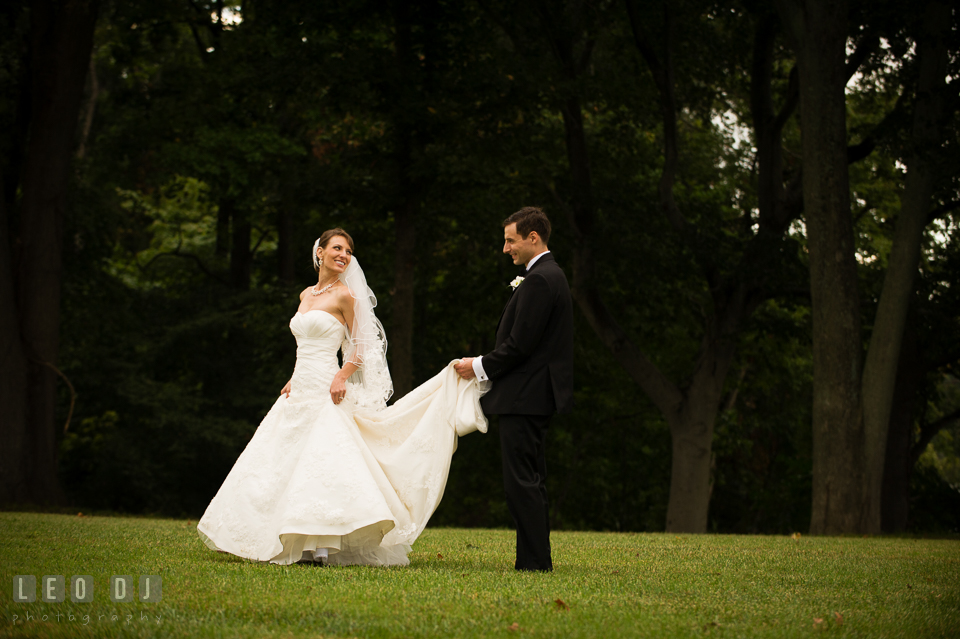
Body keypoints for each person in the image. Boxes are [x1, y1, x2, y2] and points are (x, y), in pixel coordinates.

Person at [198, 228, 489, 566]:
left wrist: (341, 376)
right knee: (279, 461)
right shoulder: (306, 295)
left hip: (328, 388)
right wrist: (294, 377)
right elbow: (304, 345)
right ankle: (259, 535)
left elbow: (362, 346)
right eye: (337, 248)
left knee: (324, 462)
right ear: (319, 252)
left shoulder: (346, 297)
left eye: (348, 251)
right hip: (300, 388)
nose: (344, 255)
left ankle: (321, 547)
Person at [455, 207, 574, 572]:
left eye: (511, 240)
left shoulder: (540, 280)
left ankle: (535, 564)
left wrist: (475, 366)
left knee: (520, 483)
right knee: (529, 481)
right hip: (533, 396)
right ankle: (533, 561)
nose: (506, 247)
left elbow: (521, 345)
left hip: (526, 396)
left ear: (532, 237)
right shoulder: (547, 275)